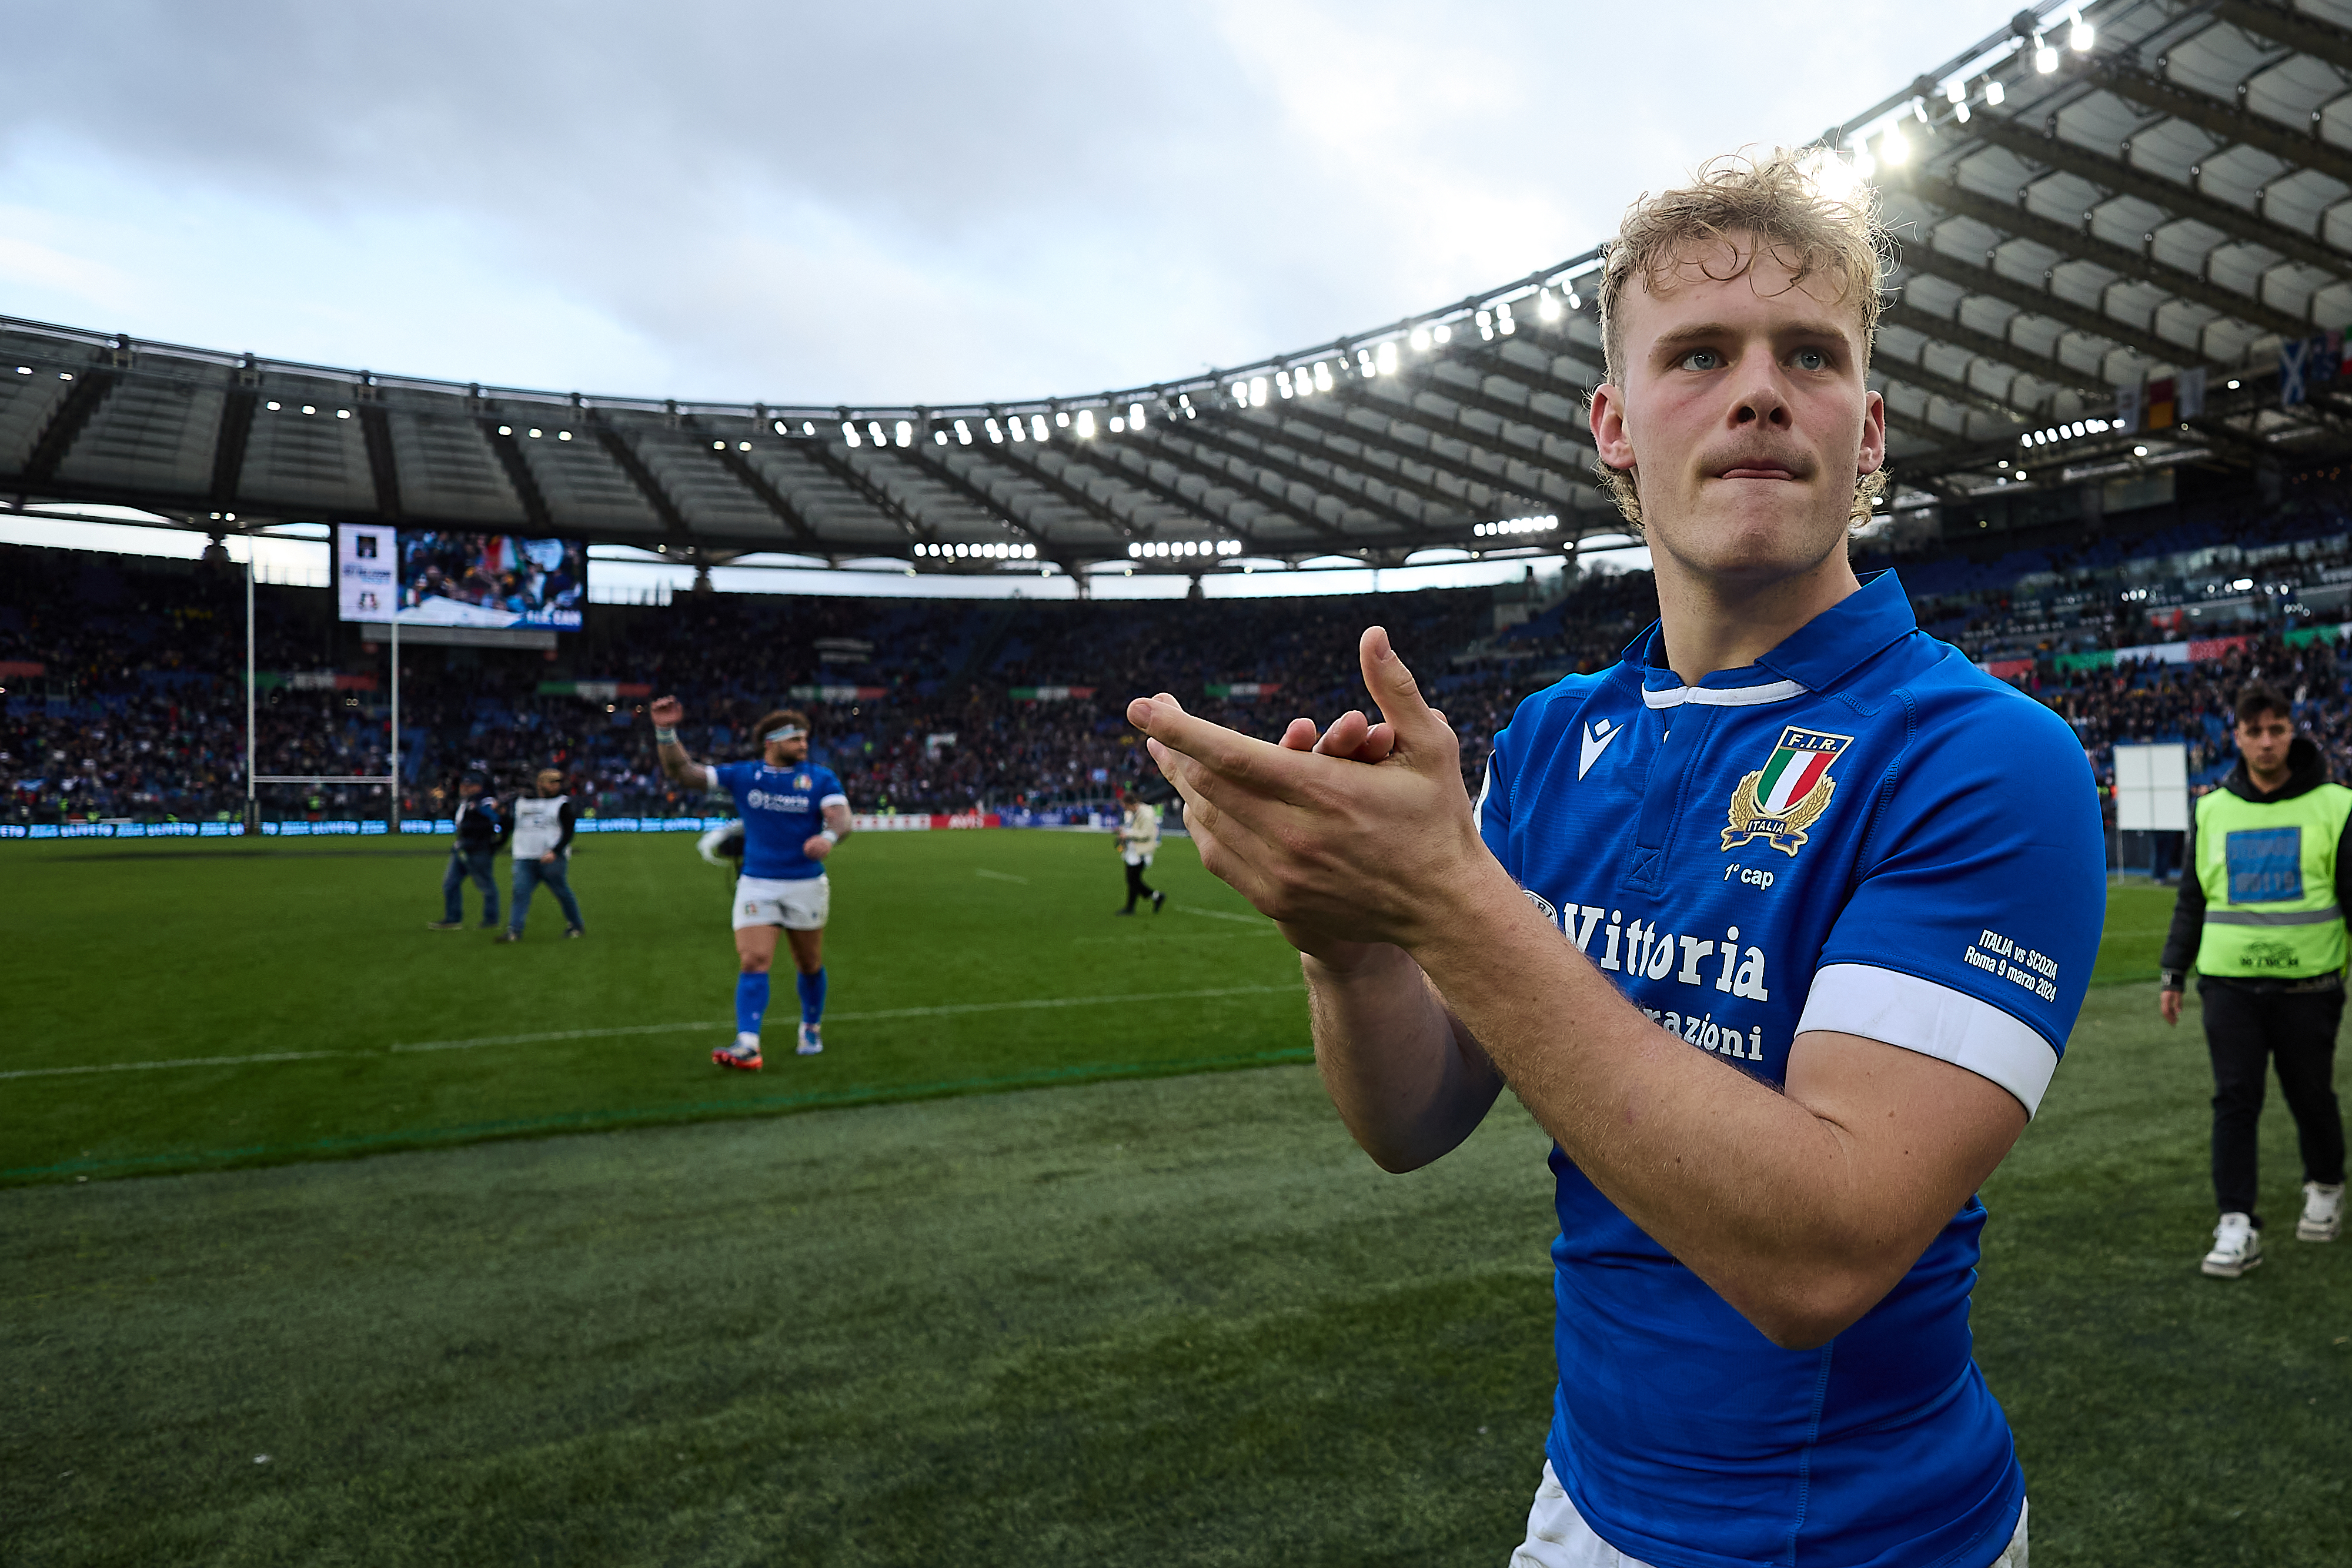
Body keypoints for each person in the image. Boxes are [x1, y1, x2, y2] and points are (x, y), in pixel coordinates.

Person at [1127, 152, 2105, 1568]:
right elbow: (1410, 1120)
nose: (1758, 390)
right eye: (1698, 354)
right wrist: (1345, 943)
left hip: (1873, 1543)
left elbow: (1819, 1253)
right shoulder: (1555, 736)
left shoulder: (1984, 758)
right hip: (1582, 1503)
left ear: (1869, 428)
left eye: (1809, 358)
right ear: (1614, 425)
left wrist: (1444, 897)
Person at [2159, 683, 2348, 1276]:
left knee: (2310, 1096)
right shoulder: (2211, 808)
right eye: (2254, 731)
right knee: (2234, 1100)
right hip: (2228, 985)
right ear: (2235, 737)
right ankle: (2235, 1223)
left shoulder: (2336, 805)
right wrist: (2173, 971)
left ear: (2291, 730)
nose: (2266, 741)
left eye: (2276, 729)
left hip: (2309, 987)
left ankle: (2324, 1185)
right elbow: (2192, 899)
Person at [651, 698, 850, 1068]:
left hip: (805, 882)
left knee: (809, 963)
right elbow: (683, 772)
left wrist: (829, 838)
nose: (804, 746)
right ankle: (748, 1043)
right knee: (754, 959)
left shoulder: (821, 777)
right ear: (771, 742)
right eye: (796, 740)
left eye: (806, 739)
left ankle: (810, 1025)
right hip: (757, 883)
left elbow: (841, 818)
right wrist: (665, 732)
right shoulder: (743, 775)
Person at [497, 768, 585, 942]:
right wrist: (501, 816)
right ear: (541, 783)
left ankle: (576, 925)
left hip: (551, 858)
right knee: (520, 893)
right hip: (524, 855)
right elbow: (510, 826)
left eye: (558, 782)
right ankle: (514, 931)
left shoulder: (562, 804)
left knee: (562, 893)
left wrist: (556, 851)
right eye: (552, 782)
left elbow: (568, 832)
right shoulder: (521, 802)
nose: (556, 786)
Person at [427, 771, 507, 930]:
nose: (465, 788)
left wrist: (495, 841)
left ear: (479, 787)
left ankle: (491, 920)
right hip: (463, 847)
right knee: (450, 884)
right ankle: (453, 919)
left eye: (470, 785)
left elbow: (497, 817)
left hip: (478, 849)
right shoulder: (468, 801)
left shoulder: (484, 801)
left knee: (486, 886)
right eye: (464, 784)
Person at [1112, 783, 1165, 915]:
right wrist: (1123, 831)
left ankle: (1155, 897)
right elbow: (1135, 829)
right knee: (1133, 880)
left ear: (1129, 803)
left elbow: (1145, 834)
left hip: (1141, 852)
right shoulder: (1137, 812)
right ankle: (1134, 906)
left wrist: (1127, 834)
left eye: (1124, 804)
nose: (1123, 807)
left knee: (1133, 880)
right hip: (1134, 851)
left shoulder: (1145, 814)